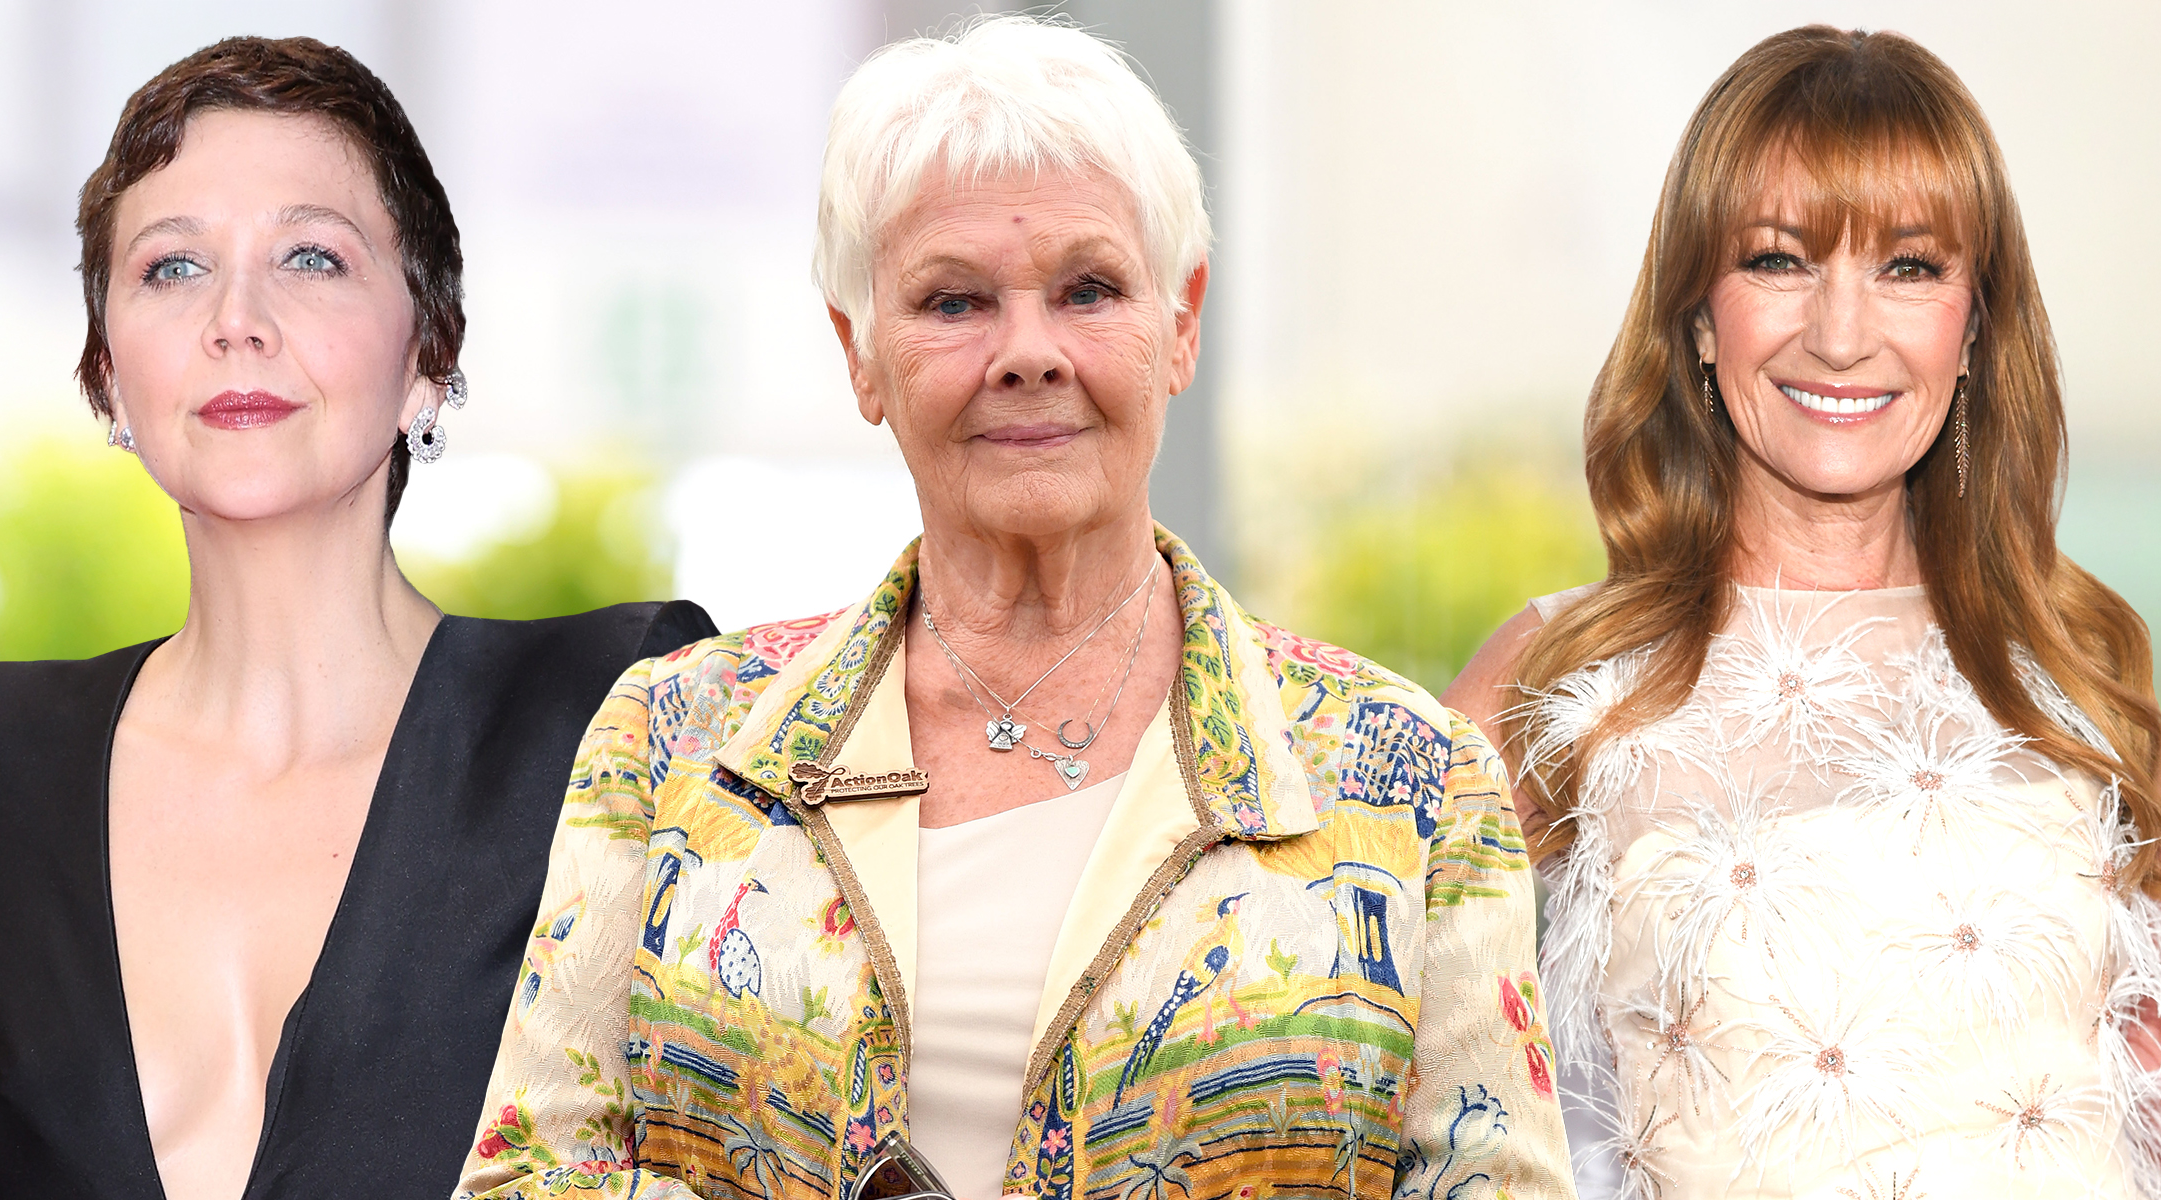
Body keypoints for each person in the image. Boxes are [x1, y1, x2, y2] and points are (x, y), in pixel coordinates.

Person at [454, 16, 1572, 1200]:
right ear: (861, 353)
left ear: (1180, 323)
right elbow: (530, 1178)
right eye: (953, 302)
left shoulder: (1414, 780)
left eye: (1089, 290)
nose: (1028, 352)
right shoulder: (672, 742)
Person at [0, 37, 714, 1200]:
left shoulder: (621, 716)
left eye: (311, 257)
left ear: (429, 353)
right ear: (108, 374)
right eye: (173, 268)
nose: (238, 318)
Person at [1443, 26, 2161, 1200]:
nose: (1843, 334)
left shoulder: (2079, 660)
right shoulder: (1565, 674)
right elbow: (1373, 1065)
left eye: (1910, 267)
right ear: (1700, 318)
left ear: (1974, 327)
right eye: (1779, 260)